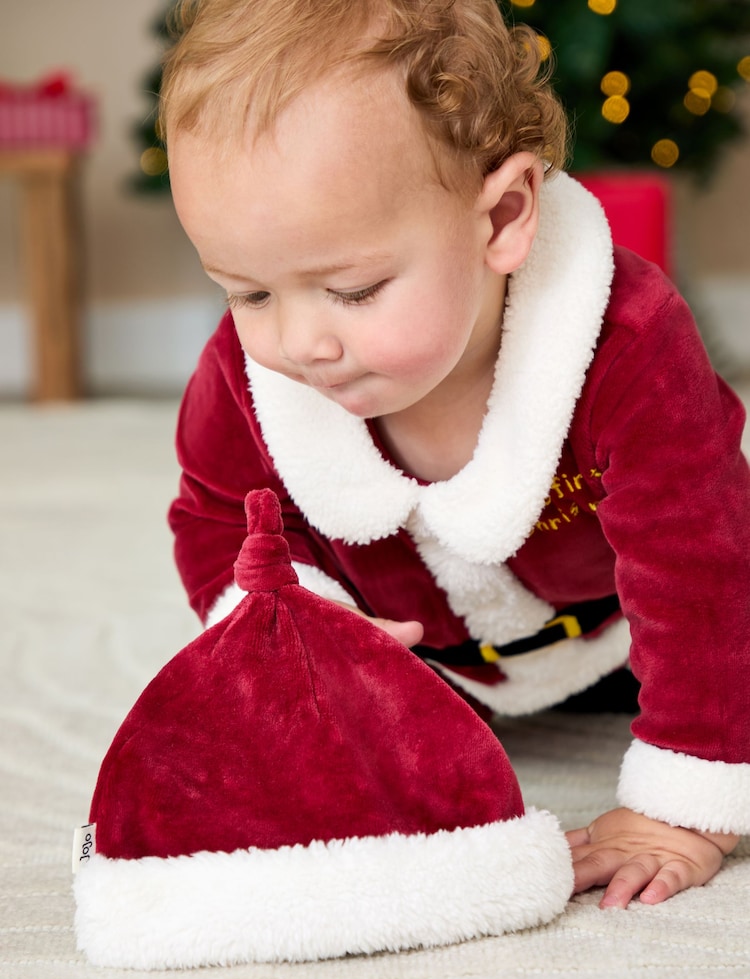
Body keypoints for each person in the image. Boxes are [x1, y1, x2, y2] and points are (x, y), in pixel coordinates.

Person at [159, 0, 748, 911]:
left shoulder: (624, 342)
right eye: (247, 291)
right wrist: (307, 640)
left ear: (503, 217)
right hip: (426, 661)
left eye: (352, 289)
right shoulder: (250, 380)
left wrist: (690, 797)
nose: (299, 341)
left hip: (629, 636)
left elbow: (703, 564)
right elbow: (216, 521)